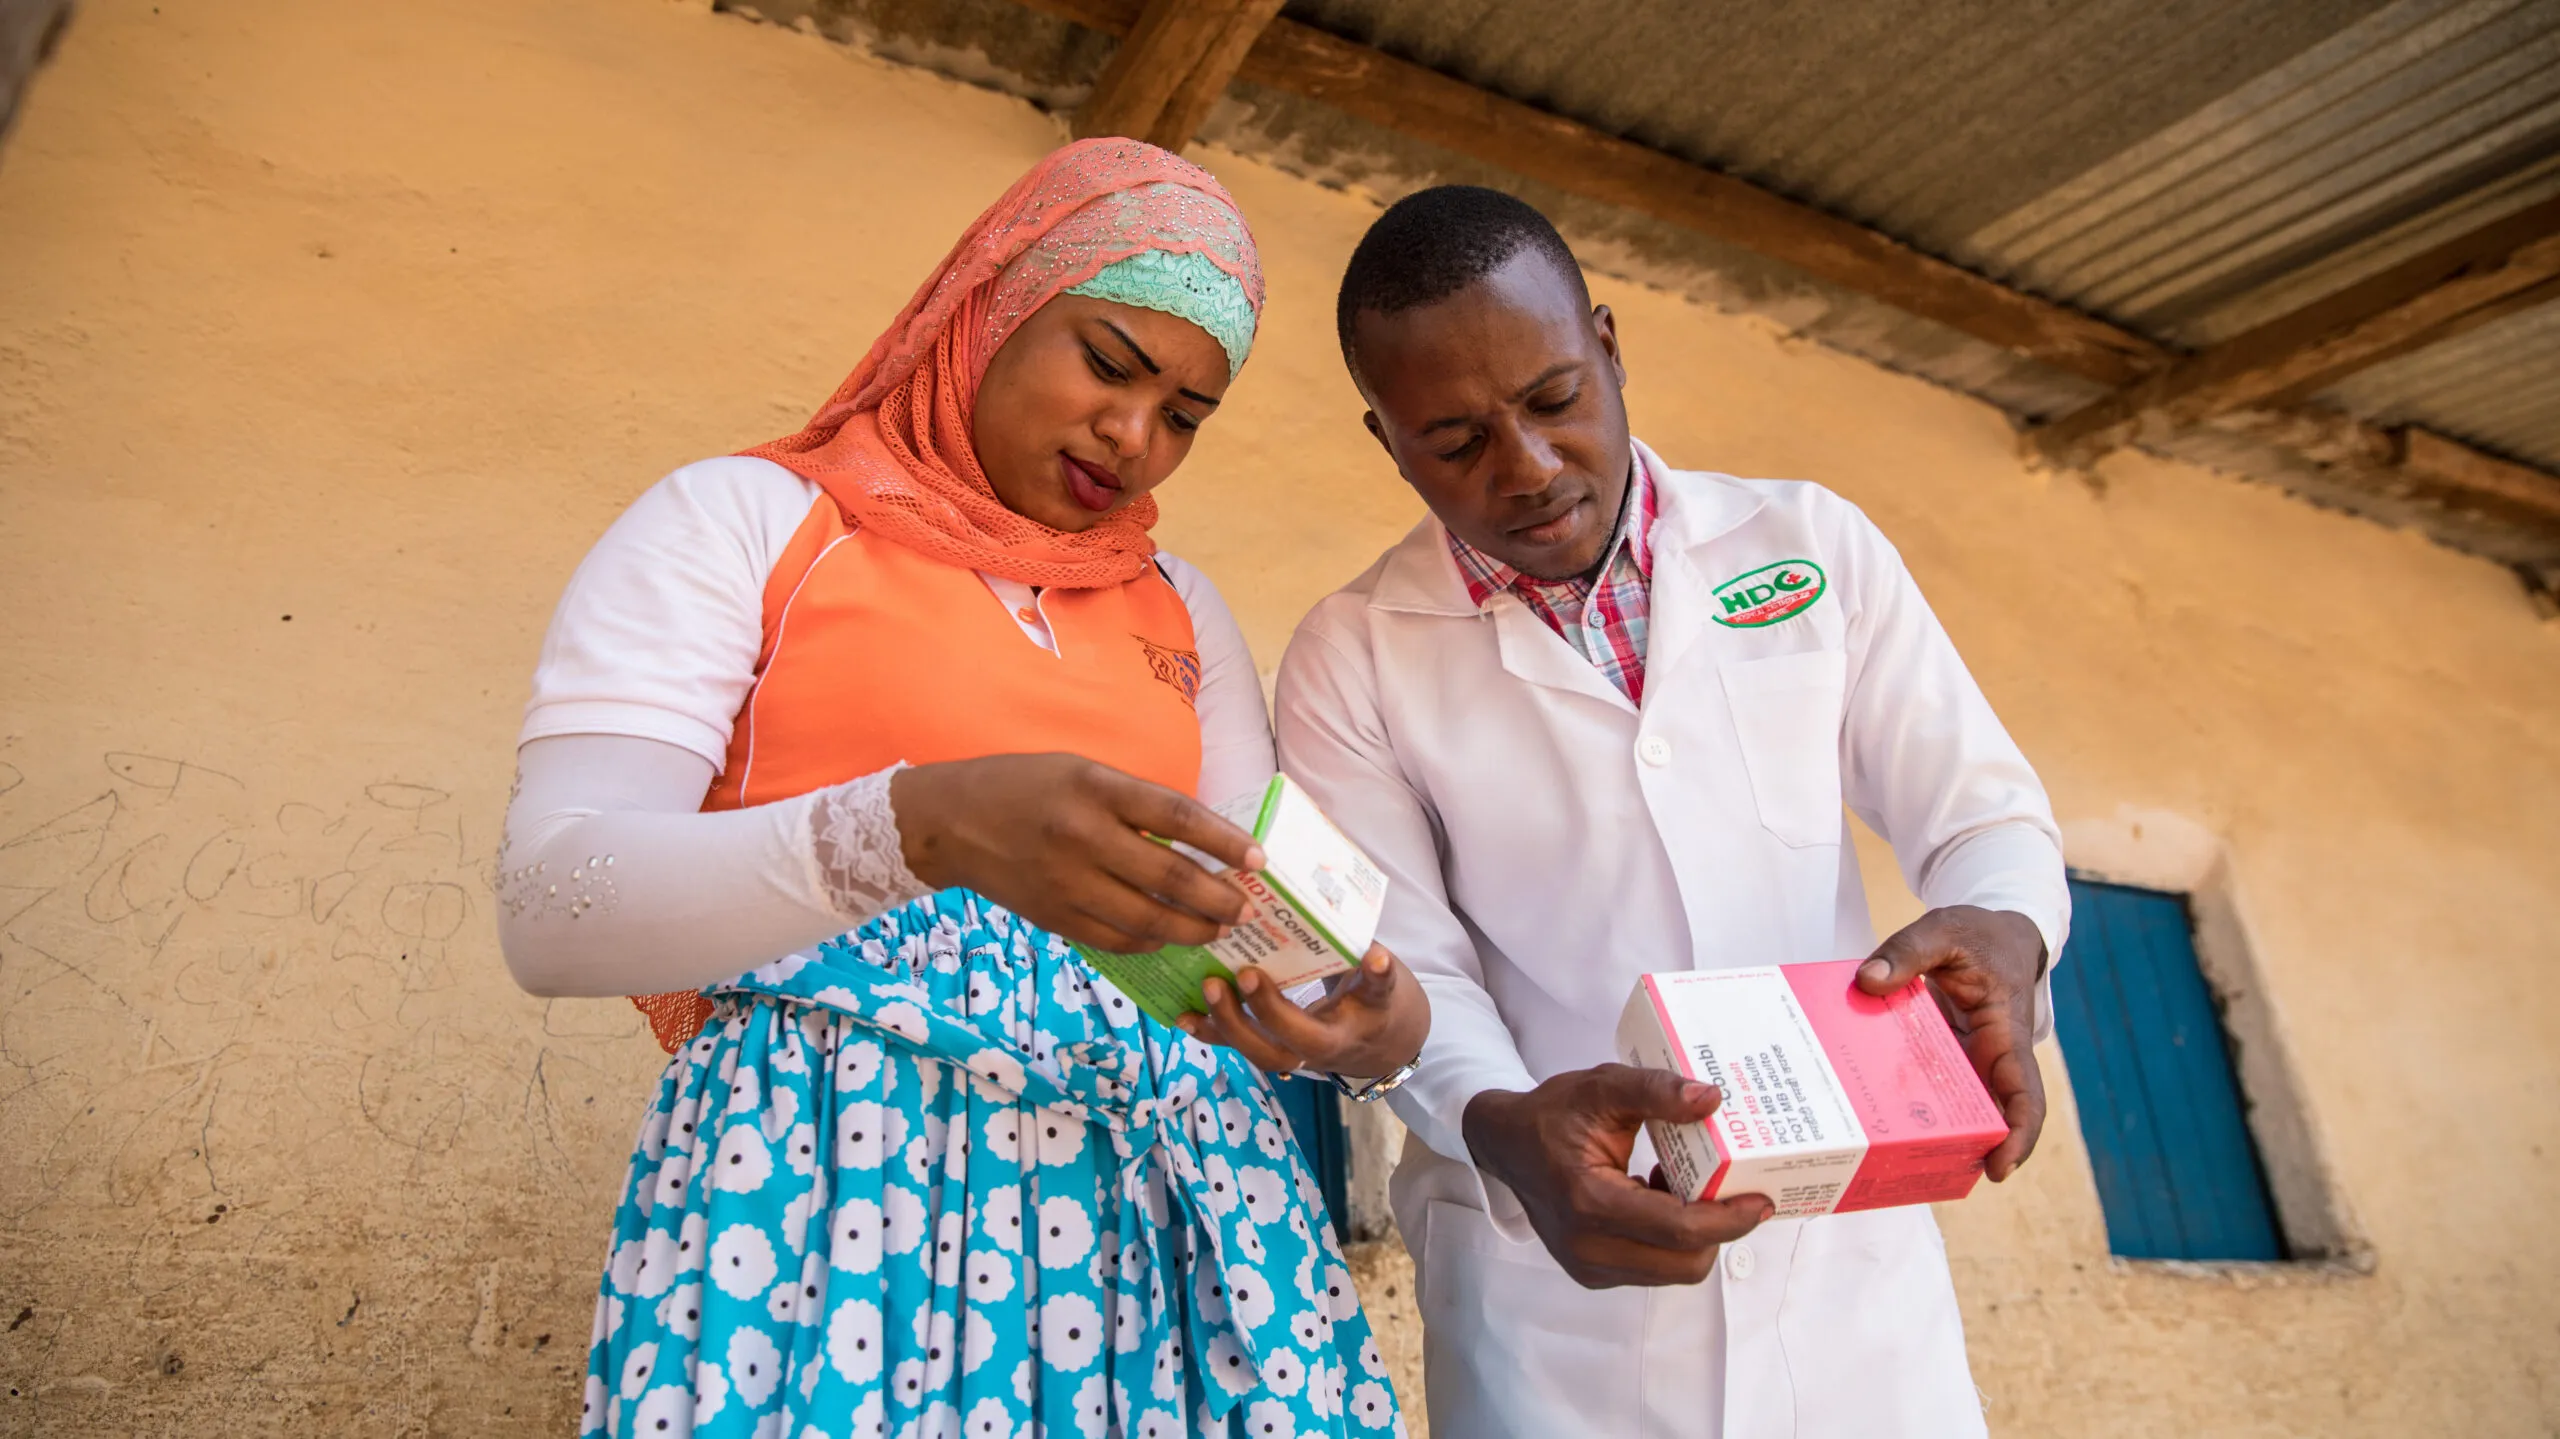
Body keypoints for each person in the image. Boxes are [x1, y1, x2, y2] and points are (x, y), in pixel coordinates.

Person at [498, 139, 1423, 1439]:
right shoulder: (749, 522)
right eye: (1108, 362)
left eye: (1185, 413)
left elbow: (1253, 923)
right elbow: (553, 903)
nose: (1135, 434)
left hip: (1170, 1209)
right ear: (988, 305)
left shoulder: (1178, 607)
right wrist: (914, 826)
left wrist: (1366, 1021)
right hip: (831, 1194)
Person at [1274, 186, 2070, 1437]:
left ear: (1607, 343)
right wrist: (1506, 1126)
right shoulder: (1351, 654)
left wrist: (2010, 926)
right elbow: (1398, 966)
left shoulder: (1809, 544)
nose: (1527, 469)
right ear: (1385, 441)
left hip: (1854, 1304)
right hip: (1556, 1321)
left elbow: (1984, 814)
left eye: (1552, 400)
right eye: (1454, 439)